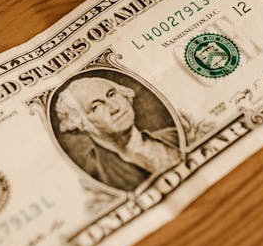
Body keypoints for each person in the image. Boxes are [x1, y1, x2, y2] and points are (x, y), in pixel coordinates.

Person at [54, 76, 182, 192]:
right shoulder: (97, 178)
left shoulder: (176, 135)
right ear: (80, 124)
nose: (115, 107)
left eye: (111, 94)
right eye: (96, 107)